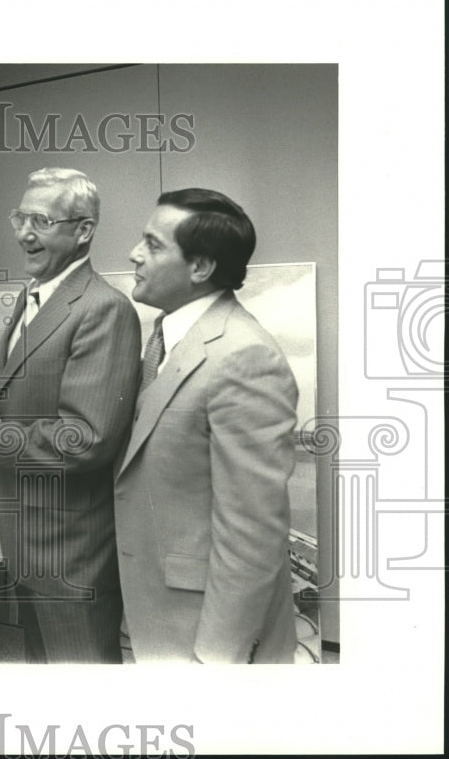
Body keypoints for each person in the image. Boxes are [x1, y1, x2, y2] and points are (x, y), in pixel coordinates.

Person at [115, 187, 298, 663]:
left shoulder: (244, 356)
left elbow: (252, 533)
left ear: (200, 268)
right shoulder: (170, 338)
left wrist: (217, 661)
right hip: (159, 615)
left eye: (153, 245)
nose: (134, 254)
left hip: (205, 639)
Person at [0, 168, 141, 663]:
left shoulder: (103, 309)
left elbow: (86, 437)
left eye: (42, 220)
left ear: (83, 230)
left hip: (72, 554)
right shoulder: (32, 297)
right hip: (30, 543)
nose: (25, 233)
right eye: (20, 217)